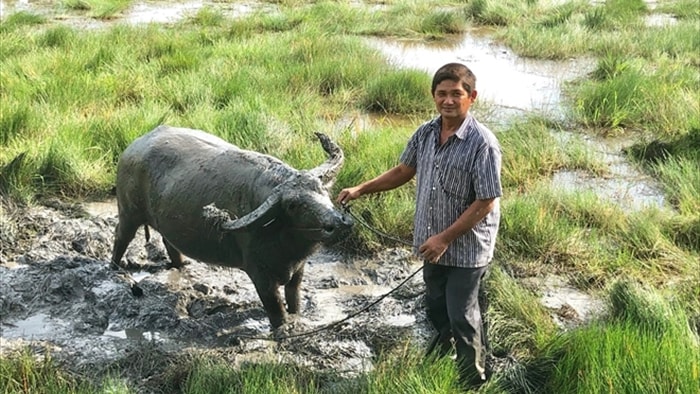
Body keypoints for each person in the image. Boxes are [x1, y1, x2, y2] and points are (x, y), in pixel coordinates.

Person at [336, 62, 502, 388]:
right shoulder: (426, 132)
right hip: (432, 244)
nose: (448, 101)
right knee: (436, 307)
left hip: (467, 249)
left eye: (457, 94)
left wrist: (444, 238)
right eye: (442, 94)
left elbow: (486, 202)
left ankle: (474, 380)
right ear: (433, 96)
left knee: (463, 316)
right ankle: (446, 350)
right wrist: (361, 189)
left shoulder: (483, 143)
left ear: (472, 97)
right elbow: (403, 171)